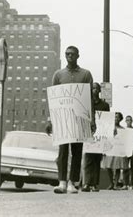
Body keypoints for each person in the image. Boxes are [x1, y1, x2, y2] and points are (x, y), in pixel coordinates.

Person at [51, 46, 94, 194]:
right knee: (62, 151)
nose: (69, 56)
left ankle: (72, 182)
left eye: (72, 54)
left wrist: (91, 119)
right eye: (67, 54)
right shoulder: (58, 75)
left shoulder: (86, 74)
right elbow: (54, 99)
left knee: (76, 151)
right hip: (62, 118)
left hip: (79, 118)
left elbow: (89, 99)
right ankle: (61, 181)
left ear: (77, 56)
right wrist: (51, 120)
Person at [81, 82, 110, 192]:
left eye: (96, 88)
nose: (94, 90)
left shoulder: (104, 105)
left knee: (97, 160)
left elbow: (107, 121)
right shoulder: (87, 104)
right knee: (88, 159)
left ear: (99, 91)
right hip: (89, 133)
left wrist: (107, 136)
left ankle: (94, 184)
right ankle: (87, 183)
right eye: (92, 88)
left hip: (100, 135)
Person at [103, 112, 127, 190]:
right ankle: (111, 183)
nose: (116, 118)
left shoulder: (122, 129)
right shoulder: (109, 128)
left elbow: (124, 140)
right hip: (110, 148)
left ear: (120, 119)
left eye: (118, 117)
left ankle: (116, 184)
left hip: (118, 149)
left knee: (117, 167)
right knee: (108, 166)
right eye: (115, 117)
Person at [122, 115, 133, 190]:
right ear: (125, 121)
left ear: (132, 121)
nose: (129, 121)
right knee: (125, 166)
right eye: (127, 120)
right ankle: (125, 183)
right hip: (125, 149)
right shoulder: (123, 130)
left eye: (130, 120)